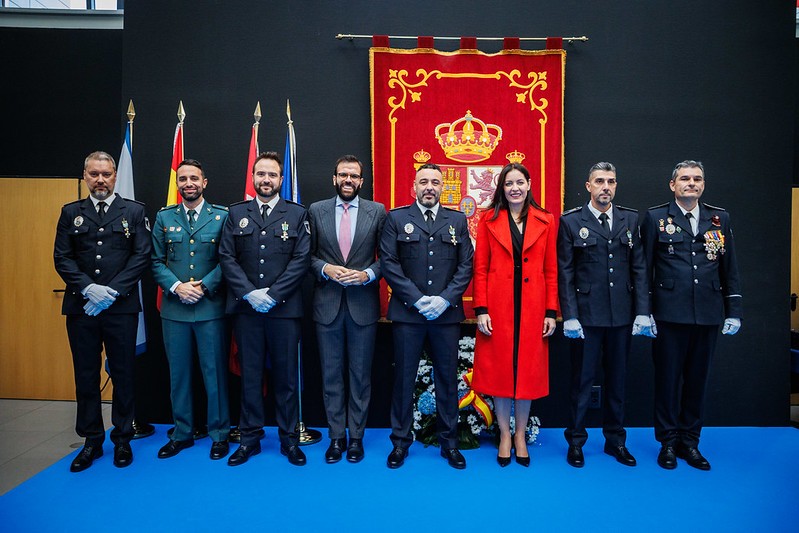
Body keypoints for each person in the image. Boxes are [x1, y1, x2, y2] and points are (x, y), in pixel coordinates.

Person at [53, 151, 151, 472]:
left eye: (106, 174)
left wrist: (110, 292)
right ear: (84, 176)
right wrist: (88, 289)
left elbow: (140, 256)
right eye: (94, 174)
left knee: (123, 374)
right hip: (82, 309)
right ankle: (92, 439)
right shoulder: (71, 213)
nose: (100, 180)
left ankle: (122, 438)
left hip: (120, 308)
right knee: (86, 375)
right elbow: (62, 257)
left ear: (113, 176)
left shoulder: (133, 212)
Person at [641, 160, 742, 471]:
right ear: (673, 185)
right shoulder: (657, 218)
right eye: (685, 178)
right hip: (669, 313)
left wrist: (733, 310)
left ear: (703, 185)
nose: (691, 183)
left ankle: (690, 442)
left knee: (697, 382)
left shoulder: (719, 218)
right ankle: (668, 443)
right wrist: (644, 313)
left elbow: (730, 268)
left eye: (697, 179)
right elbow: (643, 269)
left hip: (708, 313)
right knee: (668, 381)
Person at [557, 162, 654, 469]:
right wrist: (569, 315)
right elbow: (566, 272)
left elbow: (639, 268)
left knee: (617, 382)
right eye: (599, 181)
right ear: (588, 186)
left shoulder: (629, 218)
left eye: (611, 181)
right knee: (582, 382)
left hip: (621, 316)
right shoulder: (572, 221)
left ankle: (615, 440)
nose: (606, 187)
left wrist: (642, 312)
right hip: (586, 317)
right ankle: (576, 441)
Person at [218, 151, 311, 467]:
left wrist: (272, 294)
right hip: (247, 311)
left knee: (286, 379)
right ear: (254, 178)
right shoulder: (236, 213)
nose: (266, 180)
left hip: (284, 310)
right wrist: (249, 294)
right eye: (261, 174)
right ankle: (249, 440)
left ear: (281, 180)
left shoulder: (296, 214)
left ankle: (289, 441)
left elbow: (301, 260)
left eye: (272, 175)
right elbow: (227, 257)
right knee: (250, 377)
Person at [380, 163, 473, 469]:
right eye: (424, 182)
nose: (429, 186)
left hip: (445, 316)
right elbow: (389, 264)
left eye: (435, 181)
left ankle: (450, 443)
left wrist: (445, 300)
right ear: (414, 187)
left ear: (442, 186)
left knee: (446, 380)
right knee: (403, 380)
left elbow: (465, 266)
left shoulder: (457, 220)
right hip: (409, 314)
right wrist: (418, 300)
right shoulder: (396, 218)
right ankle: (400, 443)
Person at [471, 162, 557, 467]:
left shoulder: (546, 220)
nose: (515, 188)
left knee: (527, 372)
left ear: (529, 184)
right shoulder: (488, 219)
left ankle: (520, 433)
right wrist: (481, 308)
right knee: (501, 372)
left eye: (520, 182)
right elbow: (479, 268)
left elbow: (550, 269)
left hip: (533, 307)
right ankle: (504, 433)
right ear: (501, 188)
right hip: (498, 307)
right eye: (509, 184)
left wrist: (551, 311)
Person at [308, 155, 386, 464]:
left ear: (362, 181)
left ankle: (356, 438)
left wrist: (368, 274)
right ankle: (336, 438)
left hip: (363, 305)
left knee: (360, 376)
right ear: (334, 178)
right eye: (343, 175)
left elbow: (388, 258)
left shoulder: (377, 212)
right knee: (330, 375)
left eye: (354, 175)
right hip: (327, 304)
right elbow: (306, 255)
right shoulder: (316, 211)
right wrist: (326, 268)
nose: (348, 180)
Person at [151, 159, 231, 461]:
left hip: (210, 308)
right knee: (179, 375)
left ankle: (219, 434)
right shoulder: (164, 217)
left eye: (194, 178)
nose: (188, 184)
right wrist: (176, 287)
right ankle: (182, 433)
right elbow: (155, 260)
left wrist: (203, 286)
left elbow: (228, 260)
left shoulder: (221, 217)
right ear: (178, 184)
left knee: (215, 375)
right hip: (175, 309)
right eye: (183, 179)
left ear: (204, 182)